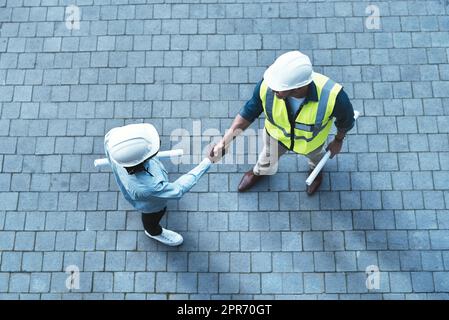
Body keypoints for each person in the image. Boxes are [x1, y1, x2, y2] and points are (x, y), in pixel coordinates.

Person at [212, 51, 355, 195]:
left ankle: (316, 172)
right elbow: (249, 112)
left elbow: (346, 121)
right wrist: (225, 142)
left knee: (317, 158)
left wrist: (338, 141)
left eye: (279, 87)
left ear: (298, 87)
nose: (272, 88)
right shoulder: (268, 86)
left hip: (311, 144)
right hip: (275, 137)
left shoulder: (334, 97)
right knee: (267, 156)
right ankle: (260, 171)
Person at [105, 123, 215, 246]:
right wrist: (208, 161)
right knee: (152, 217)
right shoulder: (150, 187)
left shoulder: (112, 138)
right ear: (141, 161)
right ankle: (152, 231)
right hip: (151, 205)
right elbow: (178, 190)